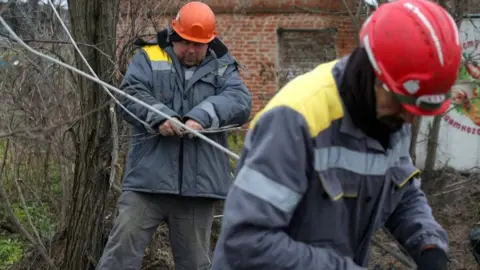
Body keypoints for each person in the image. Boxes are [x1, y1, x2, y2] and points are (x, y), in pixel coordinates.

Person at [210, 0, 461, 269]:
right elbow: (247, 242)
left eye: (418, 107)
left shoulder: (391, 115)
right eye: (403, 101)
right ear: (373, 72)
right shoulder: (296, 122)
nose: (409, 117)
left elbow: (401, 192)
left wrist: (429, 245)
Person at [96, 2, 252, 270]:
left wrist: (201, 117)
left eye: (198, 44)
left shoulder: (224, 66)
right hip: (147, 183)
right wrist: (159, 117)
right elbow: (130, 93)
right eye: (185, 42)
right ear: (175, 34)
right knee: (119, 255)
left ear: (210, 41)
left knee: (195, 264)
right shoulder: (149, 56)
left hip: (198, 189)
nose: (191, 50)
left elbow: (239, 102)